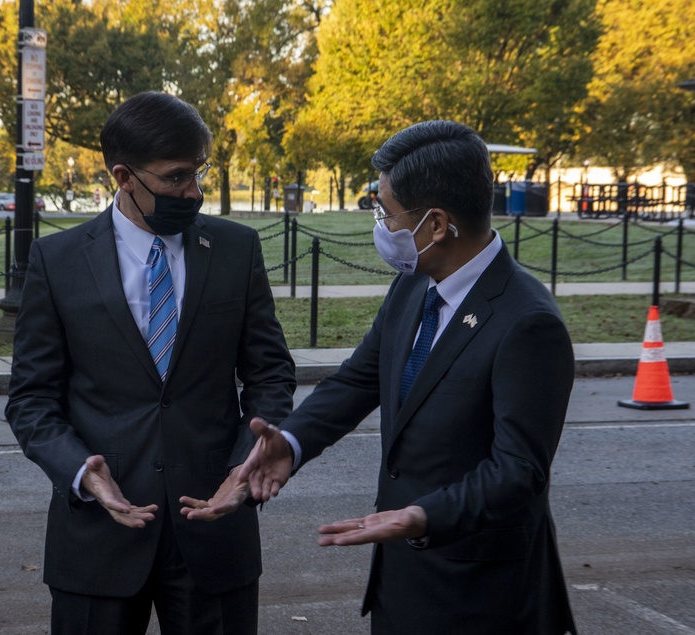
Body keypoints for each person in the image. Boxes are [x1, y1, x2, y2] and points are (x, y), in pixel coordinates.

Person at [236, 120, 577, 633]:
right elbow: (358, 381)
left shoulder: (528, 323)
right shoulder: (413, 287)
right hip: (400, 579)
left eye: (387, 212)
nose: (381, 225)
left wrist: (422, 516)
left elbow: (518, 471)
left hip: (480, 595)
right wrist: (291, 441)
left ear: (437, 224)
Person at [5, 91, 296, 635]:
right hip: (98, 537)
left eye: (199, 173)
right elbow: (31, 400)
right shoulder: (59, 260)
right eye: (176, 177)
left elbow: (270, 373)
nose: (194, 191)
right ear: (124, 177)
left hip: (215, 528)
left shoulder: (236, 248)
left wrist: (247, 461)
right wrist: (80, 471)